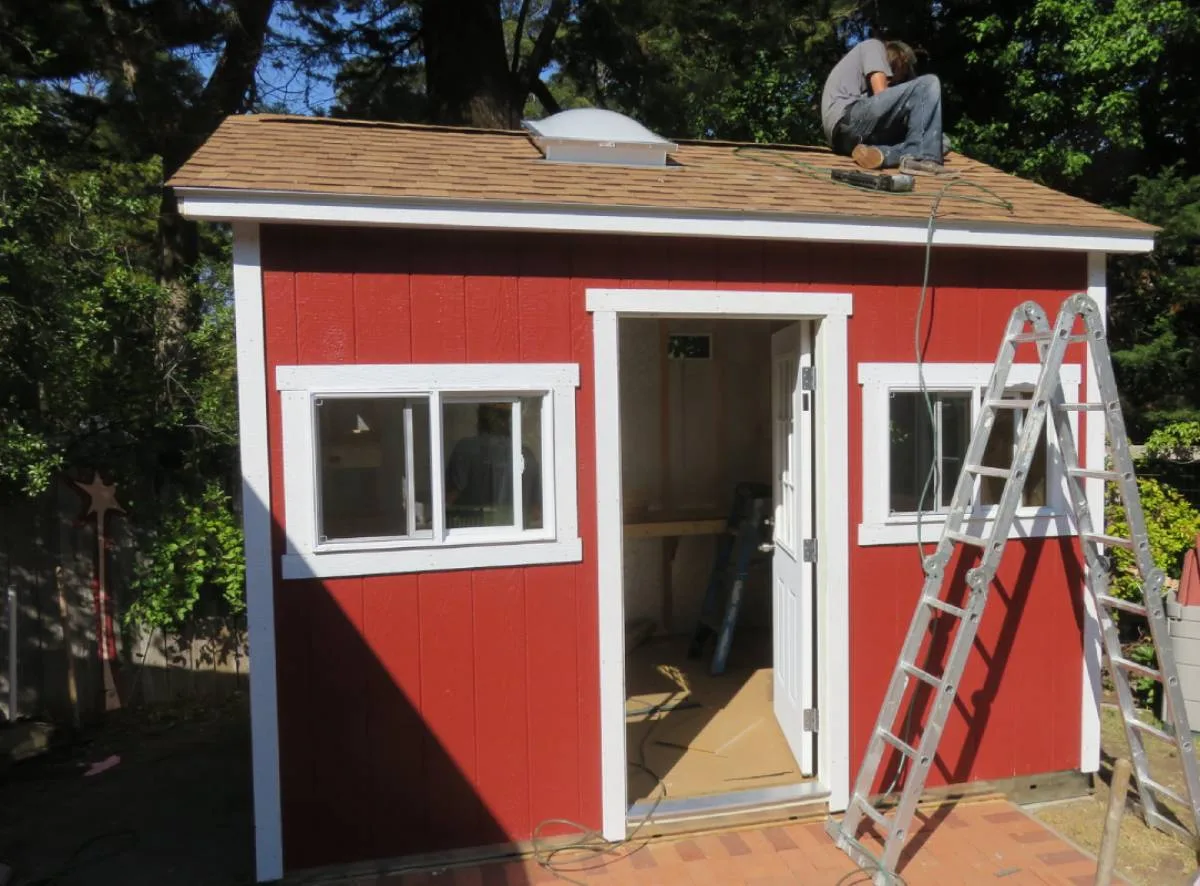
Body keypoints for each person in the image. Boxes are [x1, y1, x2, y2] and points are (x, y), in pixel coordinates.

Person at [821, 38, 946, 174]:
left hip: (845, 142)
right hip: (848, 118)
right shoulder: (874, 46)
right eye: (904, 70)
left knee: (940, 141)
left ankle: (881, 154)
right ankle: (920, 158)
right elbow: (880, 95)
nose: (902, 77)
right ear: (900, 58)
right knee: (927, 83)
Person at [445, 403, 542, 529]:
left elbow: (450, 498)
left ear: (480, 421)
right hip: (517, 535)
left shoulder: (466, 449)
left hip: (473, 532)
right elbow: (536, 512)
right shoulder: (526, 454)